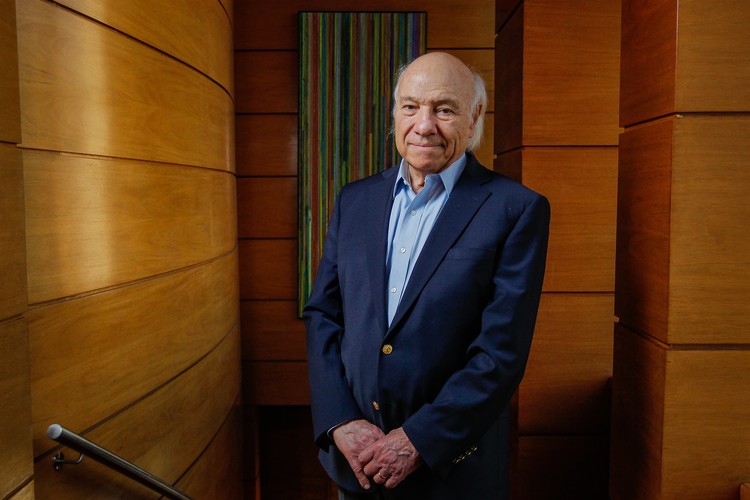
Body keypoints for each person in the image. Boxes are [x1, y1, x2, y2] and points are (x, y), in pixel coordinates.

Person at [304, 52, 550, 500]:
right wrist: (341, 420)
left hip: (452, 470)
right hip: (357, 462)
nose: (424, 125)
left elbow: (501, 352)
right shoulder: (354, 200)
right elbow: (324, 314)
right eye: (411, 106)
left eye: (444, 109)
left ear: (474, 117)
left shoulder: (516, 209)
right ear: (395, 113)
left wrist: (419, 439)